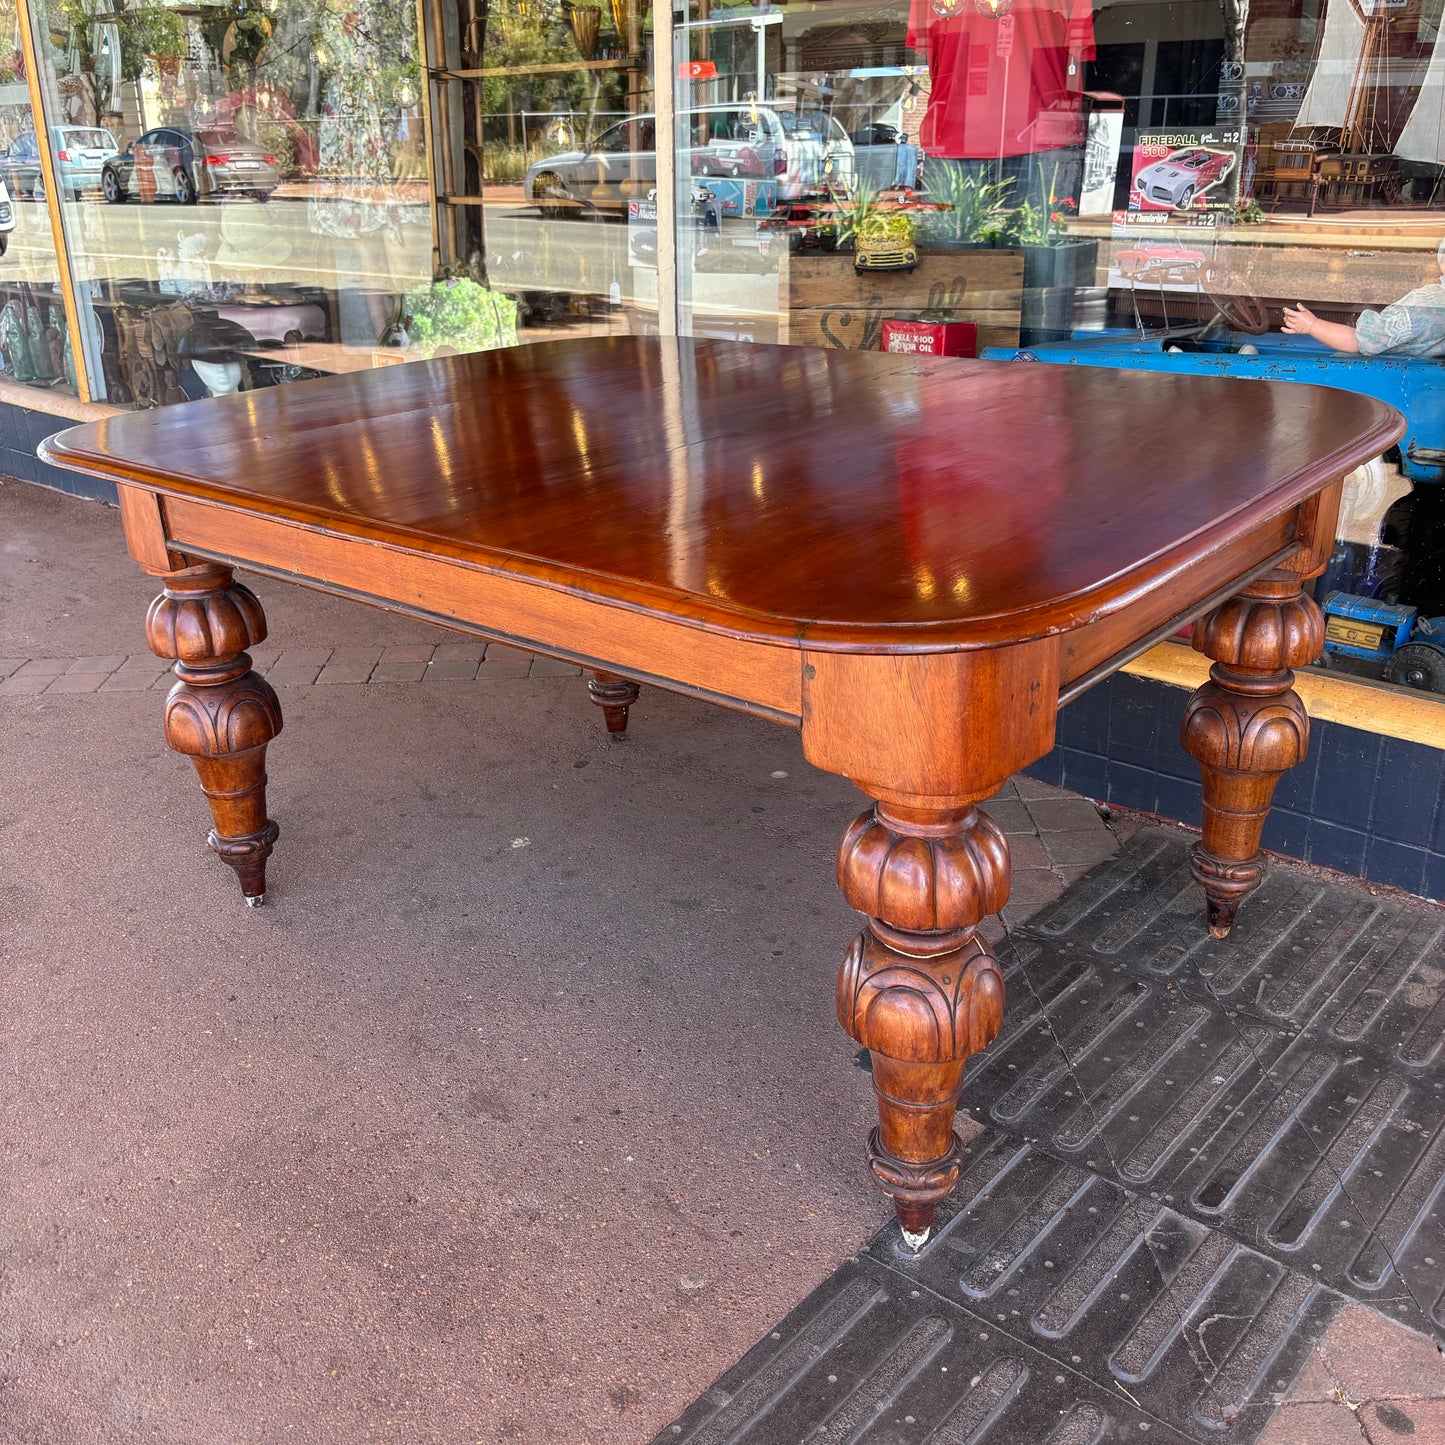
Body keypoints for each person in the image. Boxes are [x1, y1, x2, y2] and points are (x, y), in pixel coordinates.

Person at [1282, 237, 1445, 357]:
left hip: (1393, 376)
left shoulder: (1426, 305)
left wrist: (1312, 325)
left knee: (1341, 360)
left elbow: (1358, 341)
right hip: (1422, 375)